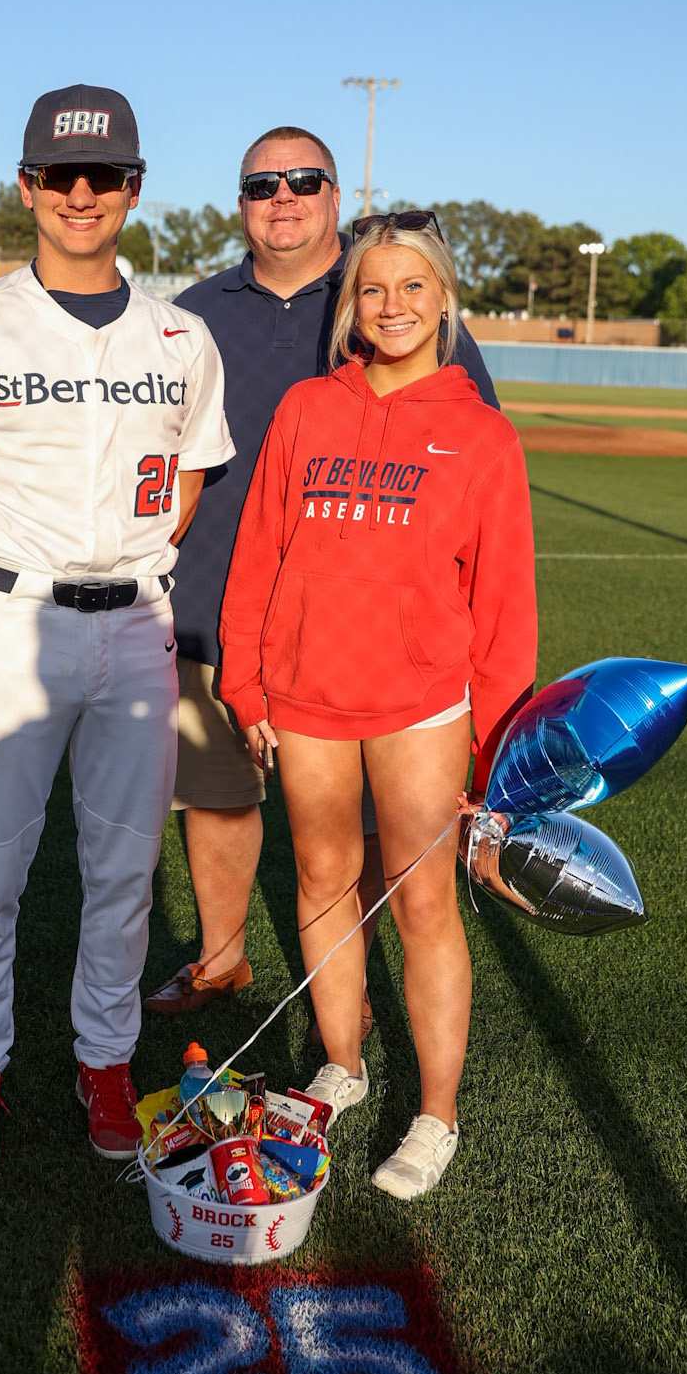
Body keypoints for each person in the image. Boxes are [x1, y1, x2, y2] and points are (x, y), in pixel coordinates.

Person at [0, 84, 233, 1179]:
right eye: (60, 174)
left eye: (103, 176)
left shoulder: (183, 333)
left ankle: (104, 1059)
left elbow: (191, 474)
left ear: (135, 190)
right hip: (13, 616)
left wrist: (129, 563)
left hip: (136, 618)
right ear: (27, 184)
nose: (80, 193)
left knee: (122, 870)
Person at [145, 127, 500, 1023]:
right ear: (240, 203)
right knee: (218, 798)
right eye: (262, 184)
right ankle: (221, 960)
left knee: (376, 827)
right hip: (212, 599)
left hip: (366, 635)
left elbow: (472, 457)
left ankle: (356, 974)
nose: (283, 197)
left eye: (304, 180)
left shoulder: (381, 295)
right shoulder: (190, 313)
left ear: (334, 196)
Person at [218, 209, 536, 1199]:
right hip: (306, 694)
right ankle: (343, 1061)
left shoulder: (480, 433)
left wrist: (501, 747)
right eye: (372, 288)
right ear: (349, 303)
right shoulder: (308, 409)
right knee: (321, 877)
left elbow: (504, 603)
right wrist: (244, 676)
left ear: (444, 300)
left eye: (413, 287)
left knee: (424, 899)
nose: (391, 305)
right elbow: (258, 552)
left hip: (421, 706)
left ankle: (436, 1110)